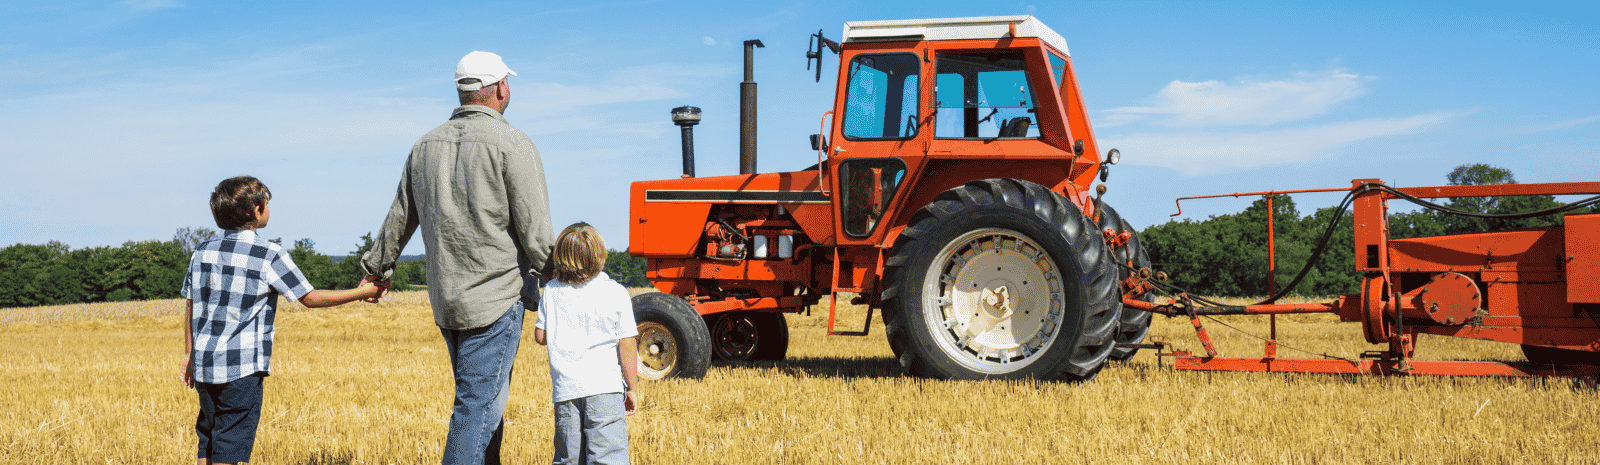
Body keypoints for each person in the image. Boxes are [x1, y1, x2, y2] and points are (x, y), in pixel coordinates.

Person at [360, 50, 555, 465]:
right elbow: (538, 236)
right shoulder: (513, 143)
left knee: (487, 405)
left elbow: (400, 215)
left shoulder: (425, 145)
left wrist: (377, 268)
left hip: (446, 300)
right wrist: (567, 281)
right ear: (500, 88)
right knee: (476, 411)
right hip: (496, 300)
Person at [180, 175, 383, 465]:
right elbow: (309, 298)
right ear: (255, 211)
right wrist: (363, 292)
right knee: (229, 446)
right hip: (242, 369)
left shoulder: (202, 251)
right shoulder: (268, 253)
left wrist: (189, 354)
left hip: (204, 366)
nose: (269, 208)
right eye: (266, 202)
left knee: (208, 442)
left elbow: (190, 305)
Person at [534, 223, 639, 465]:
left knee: (568, 459)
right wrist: (631, 387)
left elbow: (541, 337)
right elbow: (627, 344)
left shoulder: (551, 290)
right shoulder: (616, 292)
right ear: (601, 255)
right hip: (605, 389)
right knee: (608, 458)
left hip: (566, 392)